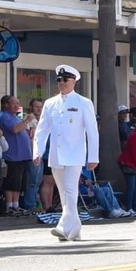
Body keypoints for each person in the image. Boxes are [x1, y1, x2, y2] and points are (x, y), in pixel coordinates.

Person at [33, 65, 99, 242]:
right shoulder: (50, 103)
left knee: (70, 190)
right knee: (63, 192)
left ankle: (63, 226)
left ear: (74, 82)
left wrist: (93, 157)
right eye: (59, 80)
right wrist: (37, 151)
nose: (61, 83)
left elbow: (92, 132)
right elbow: (42, 130)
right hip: (56, 155)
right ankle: (75, 229)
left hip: (74, 154)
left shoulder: (83, 103)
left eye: (65, 80)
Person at [0, 95, 32, 216]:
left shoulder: (16, 117)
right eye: (14, 103)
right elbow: (14, 130)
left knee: (19, 182)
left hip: (23, 156)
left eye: (18, 103)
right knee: (11, 181)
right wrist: (27, 120)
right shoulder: (5, 117)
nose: (16, 106)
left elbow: (21, 129)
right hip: (13, 155)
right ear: (7, 105)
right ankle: (9, 205)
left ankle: (16, 205)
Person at [21, 98, 45, 212]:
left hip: (40, 154)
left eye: (41, 106)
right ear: (31, 107)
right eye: (37, 106)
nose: (39, 109)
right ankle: (29, 205)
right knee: (33, 181)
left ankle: (34, 203)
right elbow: (28, 137)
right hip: (32, 155)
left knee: (38, 181)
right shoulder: (29, 119)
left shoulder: (40, 120)